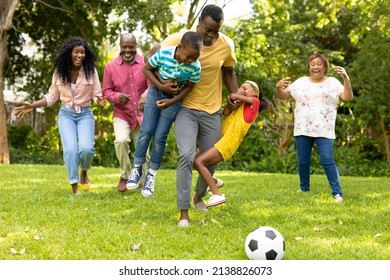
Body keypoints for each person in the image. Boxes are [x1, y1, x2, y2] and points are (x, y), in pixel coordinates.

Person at [145, 4, 239, 227]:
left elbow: (228, 71)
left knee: (210, 161)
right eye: (207, 30)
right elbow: (151, 57)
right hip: (185, 108)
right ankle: (183, 213)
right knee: (186, 156)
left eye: (216, 31)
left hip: (212, 109)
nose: (211, 35)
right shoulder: (180, 38)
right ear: (198, 24)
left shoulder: (226, 45)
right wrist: (158, 86)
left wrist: (234, 94)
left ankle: (199, 196)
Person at [13, 37, 106, 195]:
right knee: (70, 149)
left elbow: (97, 95)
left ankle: (84, 171)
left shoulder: (91, 71)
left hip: (85, 113)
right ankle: (74, 186)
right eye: (76, 52)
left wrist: (100, 99)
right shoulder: (60, 71)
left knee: (87, 149)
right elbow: (51, 97)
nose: (80, 55)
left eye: (83, 52)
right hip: (66, 115)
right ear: (69, 53)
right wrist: (32, 105)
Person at [126, 31, 203, 198]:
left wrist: (172, 101)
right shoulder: (164, 54)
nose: (190, 61)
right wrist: (161, 86)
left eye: (194, 58)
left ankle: (151, 175)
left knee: (160, 136)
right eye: (188, 56)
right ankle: (137, 168)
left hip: (174, 100)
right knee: (146, 131)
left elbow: (190, 87)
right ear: (180, 47)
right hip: (156, 92)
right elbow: (146, 70)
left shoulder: (195, 66)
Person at [275, 54, 353, 203]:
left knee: (327, 159)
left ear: (325, 67)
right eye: (312, 64)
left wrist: (346, 79)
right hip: (302, 127)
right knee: (303, 161)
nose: (315, 66)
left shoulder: (332, 82)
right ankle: (304, 189)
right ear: (309, 66)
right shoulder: (301, 82)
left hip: (324, 128)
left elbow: (347, 97)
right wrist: (278, 87)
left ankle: (337, 193)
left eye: (319, 64)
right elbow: (284, 96)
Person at [194, 81, 271, 208]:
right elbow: (225, 113)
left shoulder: (254, 103)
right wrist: (232, 103)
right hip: (220, 139)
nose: (242, 89)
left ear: (255, 93)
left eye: (245, 88)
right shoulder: (240, 107)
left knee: (199, 162)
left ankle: (217, 194)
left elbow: (236, 96)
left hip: (227, 144)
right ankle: (213, 181)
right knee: (192, 160)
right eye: (241, 87)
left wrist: (236, 94)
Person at [102, 33, 150, 192]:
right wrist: (116, 96)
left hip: (141, 114)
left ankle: (143, 182)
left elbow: (152, 85)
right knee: (121, 140)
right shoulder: (111, 66)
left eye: (131, 46)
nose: (128, 50)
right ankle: (125, 175)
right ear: (120, 46)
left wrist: (144, 96)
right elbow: (106, 91)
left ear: (136, 46)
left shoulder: (145, 63)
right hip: (122, 113)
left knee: (143, 150)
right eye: (125, 47)